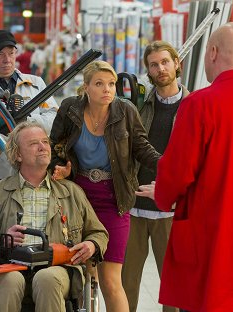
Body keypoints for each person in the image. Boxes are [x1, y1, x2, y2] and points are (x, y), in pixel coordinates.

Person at [137, 23, 233, 311]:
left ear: (212, 53)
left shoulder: (198, 105)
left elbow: (176, 175)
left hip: (207, 248)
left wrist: (163, 195)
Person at [49, 60, 160, 312]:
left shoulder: (126, 111)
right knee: (86, 276)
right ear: (86, 87)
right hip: (77, 198)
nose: (107, 90)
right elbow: (54, 145)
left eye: (111, 84)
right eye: (99, 84)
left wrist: (169, 166)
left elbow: (142, 148)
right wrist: (64, 166)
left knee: (111, 280)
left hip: (114, 199)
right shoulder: (70, 109)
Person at [0, 121, 108, 312]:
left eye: (45, 142)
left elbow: (98, 233)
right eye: (33, 144)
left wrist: (92, 245)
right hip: (9, 265)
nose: (43, 147)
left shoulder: (71, 192)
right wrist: (2, 243)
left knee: (46, 278)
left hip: (57, 267)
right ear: (17, 154)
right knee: (10, 280)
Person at [121, 41, 189, 312]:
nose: (160, 68)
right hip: (134, 207)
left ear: (176, 64)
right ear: (147, 70)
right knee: (126, 285)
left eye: (165, 62)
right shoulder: (137, 106)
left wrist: (171, 190)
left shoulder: (193, 106)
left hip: (171, 211)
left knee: (173, 288)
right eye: (153, 64)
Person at [0, 29, 58, 192]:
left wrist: (26, 122)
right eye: (0, 54)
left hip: (35, 171)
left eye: (11, 53)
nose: (7, 60)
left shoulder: (36, 84)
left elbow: (54, 119)